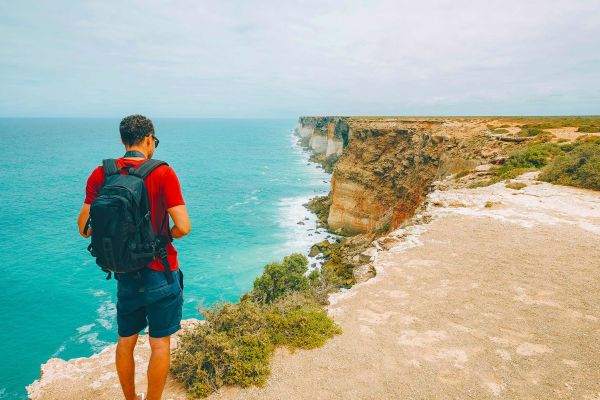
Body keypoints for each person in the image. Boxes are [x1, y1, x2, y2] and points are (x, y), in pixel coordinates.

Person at [76, 114, 191, 400]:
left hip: (125, 271)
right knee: (159, 343)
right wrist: (165, 236)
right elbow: (184, 227)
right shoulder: (163, 172)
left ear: (123, 140)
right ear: (149, 139)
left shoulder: (102, 173)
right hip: (160, 270)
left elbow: (83, 228)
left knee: (125, 341)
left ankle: (130, 398)